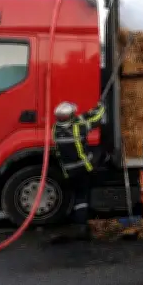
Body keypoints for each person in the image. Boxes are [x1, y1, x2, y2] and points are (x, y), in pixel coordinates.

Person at [52, 101, 106, 240]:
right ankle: (82, 225)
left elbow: (80, 119)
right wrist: (101, 107)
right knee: (83, 195)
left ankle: (80, 217)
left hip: (68, 170)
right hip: (83, 167)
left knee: (77, 195)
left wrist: (89, 111)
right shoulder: (78, 128)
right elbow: (96, 120)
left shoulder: (56, 129)